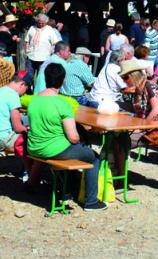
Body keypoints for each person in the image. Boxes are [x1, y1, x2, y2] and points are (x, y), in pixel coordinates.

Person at [27, 63, 105, 211]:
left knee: (73, 150)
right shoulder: (63, 104)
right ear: (62, 81)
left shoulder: (34, 100)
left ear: (45, 78)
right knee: (93, 157)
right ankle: (91, 201)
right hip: (54, 150)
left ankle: (67, 189)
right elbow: (73, 137)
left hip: (34, 147)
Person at [0, 73, 32, 178]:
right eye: (26, 90)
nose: (24, 94)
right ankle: (30, 174)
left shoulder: (0, 90)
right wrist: (29, 129)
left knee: (27, 120)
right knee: (35, 142)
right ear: (22, 84)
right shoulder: (13, 96)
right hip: (2, 138)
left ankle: (26, 170)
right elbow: (18, 127)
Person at [24, 13, 60, 80]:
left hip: (44, 58)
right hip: (31, 56)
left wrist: (51, 52)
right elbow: (27, 41)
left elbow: (55, 43)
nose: (40, 24)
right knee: (28, 76)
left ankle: (39, 90)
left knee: (41, 77)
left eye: (42, 23)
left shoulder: (49, 30)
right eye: (39, 23)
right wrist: (27, 50)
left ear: (46, 22)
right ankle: (28, 89)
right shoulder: (32, 28)